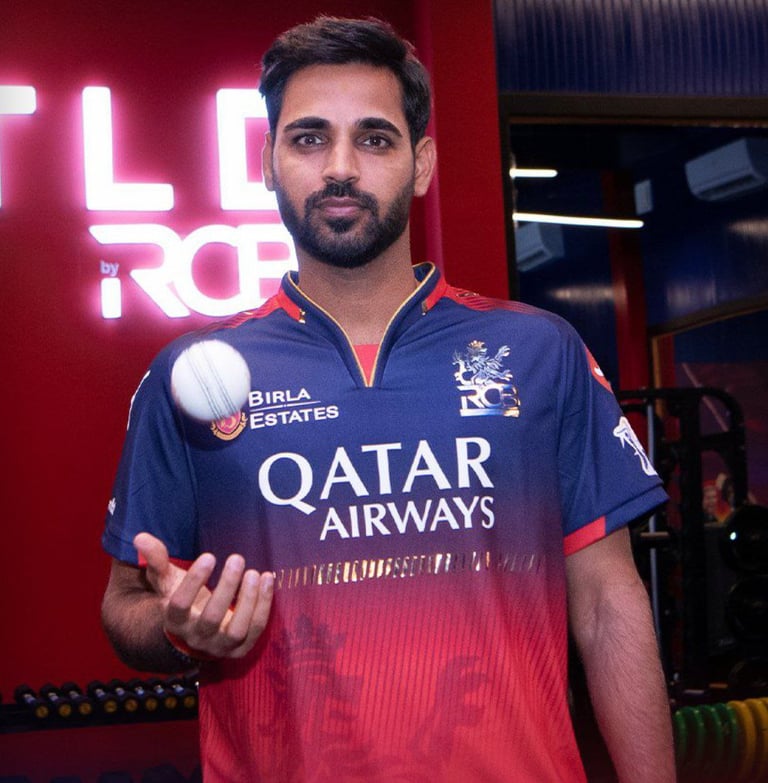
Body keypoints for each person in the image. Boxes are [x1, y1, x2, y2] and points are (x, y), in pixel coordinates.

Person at [100, 15, 676, 783]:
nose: (340, 167)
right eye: (308, 138)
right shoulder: (194, 376)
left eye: (374, 139)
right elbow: (124, 604)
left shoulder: (539, 351)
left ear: (422, 162)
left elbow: (608, 604)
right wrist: (179, 627)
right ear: (268, 163)